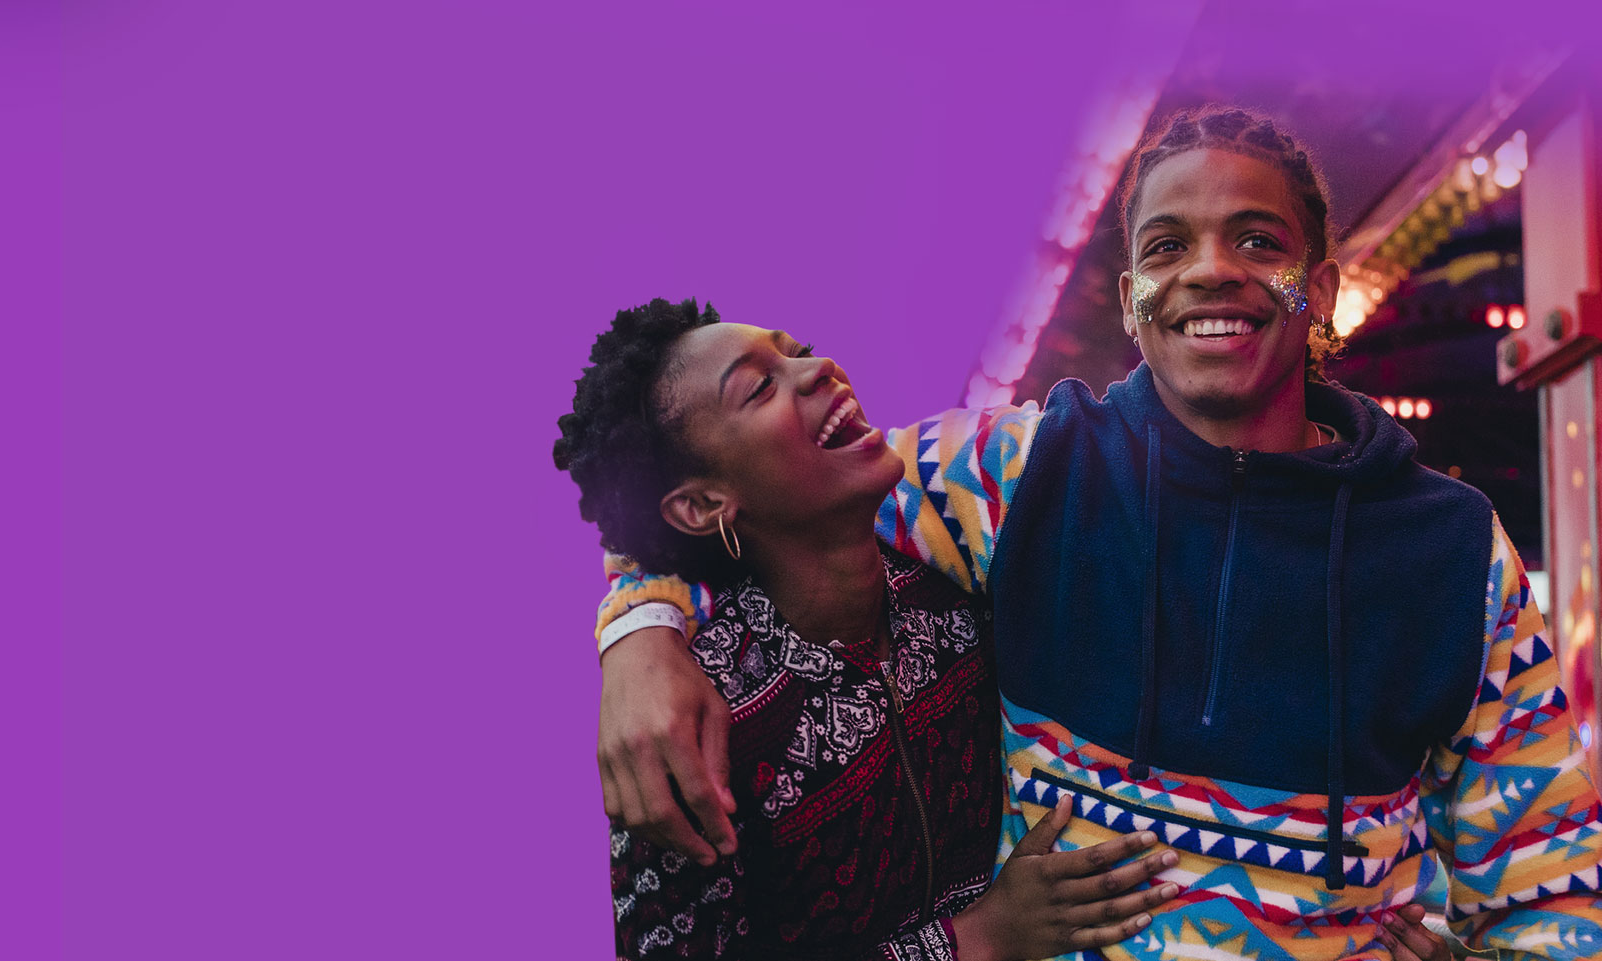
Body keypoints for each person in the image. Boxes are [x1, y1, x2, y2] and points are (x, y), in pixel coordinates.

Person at [592, 108, 1602, 960]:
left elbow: (1553, 891)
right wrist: (640, 629)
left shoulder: (1454, 553)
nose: (1211, 271)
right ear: (1131, 301)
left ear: (1322, 292)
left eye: (1259, 240)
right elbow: (732, 490)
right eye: (1167, 246)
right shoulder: (1009, 476)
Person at [554, 301, 1186, 960]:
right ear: (702, 504)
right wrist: (975, 939)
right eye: (761, 385)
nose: (818, 369)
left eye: (798, 351)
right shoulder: (693, 735)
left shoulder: (958, 575)